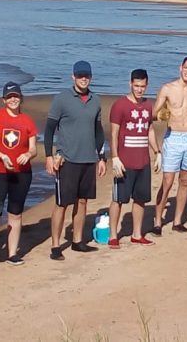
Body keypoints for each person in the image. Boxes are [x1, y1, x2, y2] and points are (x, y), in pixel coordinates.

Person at [44, 61, 107, 261]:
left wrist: (102, 157)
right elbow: (49, 129)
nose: (83, 79)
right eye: (80, 76)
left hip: (89, 159)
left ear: (91, 77)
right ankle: (55, 245)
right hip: (67, 159)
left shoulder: (95, 100)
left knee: (83, 201)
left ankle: (78, 241)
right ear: (73, 77)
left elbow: (98, 132)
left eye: (86, 76)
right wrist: (48, 156)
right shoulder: (61, 99)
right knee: (62, 203)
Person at [0, 82, 38, 266]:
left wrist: (28, 154)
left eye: (16, 96)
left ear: (21, 98)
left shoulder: (27, 120)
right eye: (9, 97)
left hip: (21, 173)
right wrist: (2, 155)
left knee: (15, 212)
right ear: (3, 99)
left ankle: (12, 253)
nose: (13, 99)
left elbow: (33, 148)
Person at [108, 69, 161, 248]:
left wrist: (157, 152)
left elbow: (150, 130)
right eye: (136, 86)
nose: (139, 89)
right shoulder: (119, 105)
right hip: (124, 162)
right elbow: (114, 133)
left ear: (147, 85)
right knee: (118, 199)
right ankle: (113, 235)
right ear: (130, 84)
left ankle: (137, 234)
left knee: (140, 199)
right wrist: (115, 157)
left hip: (142, 161)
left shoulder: (148, 105)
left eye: (142, 86)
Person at [152, 55, 187, 234]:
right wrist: (160, 115)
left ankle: (177, 221)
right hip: (173, 137)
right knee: (167, 181)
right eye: (186, 67)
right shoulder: (167, 89)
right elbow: (153, 113)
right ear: (180, 68)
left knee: (185, 180)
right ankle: (158, 221)